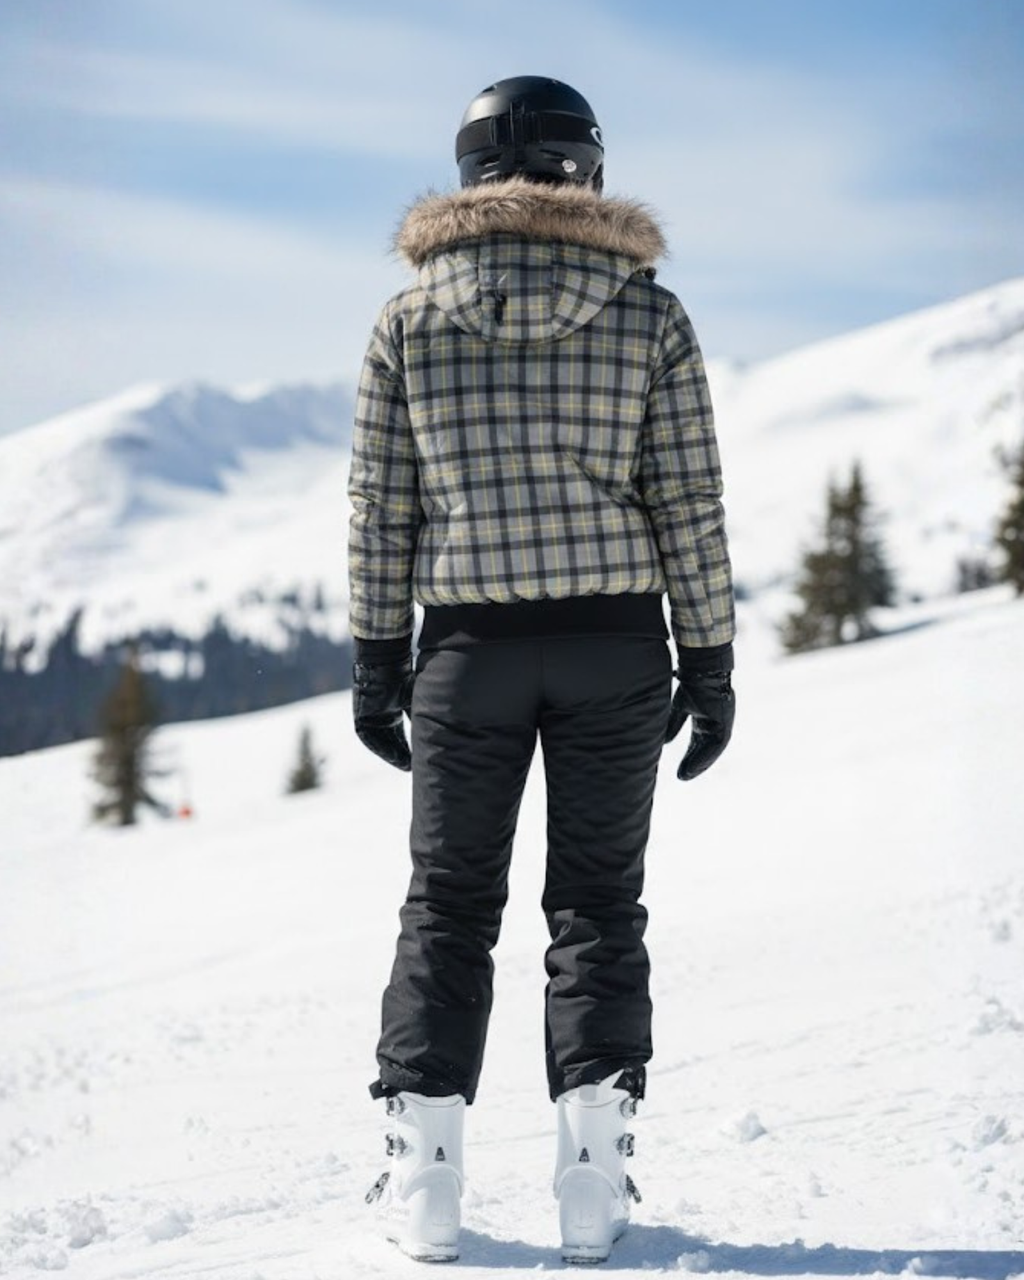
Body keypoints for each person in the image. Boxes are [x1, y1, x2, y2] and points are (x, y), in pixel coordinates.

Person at [348, 75, 735, 1264]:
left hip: (468, 649)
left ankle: (425, 1184)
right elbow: (688, 498)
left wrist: (376, 661)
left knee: (449, 905)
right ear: (589, 170)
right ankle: (591, 1183)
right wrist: (710, 658)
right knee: (597, 904)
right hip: (616, 642)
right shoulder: (649, 312)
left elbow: (381, 509)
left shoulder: (407, 320)